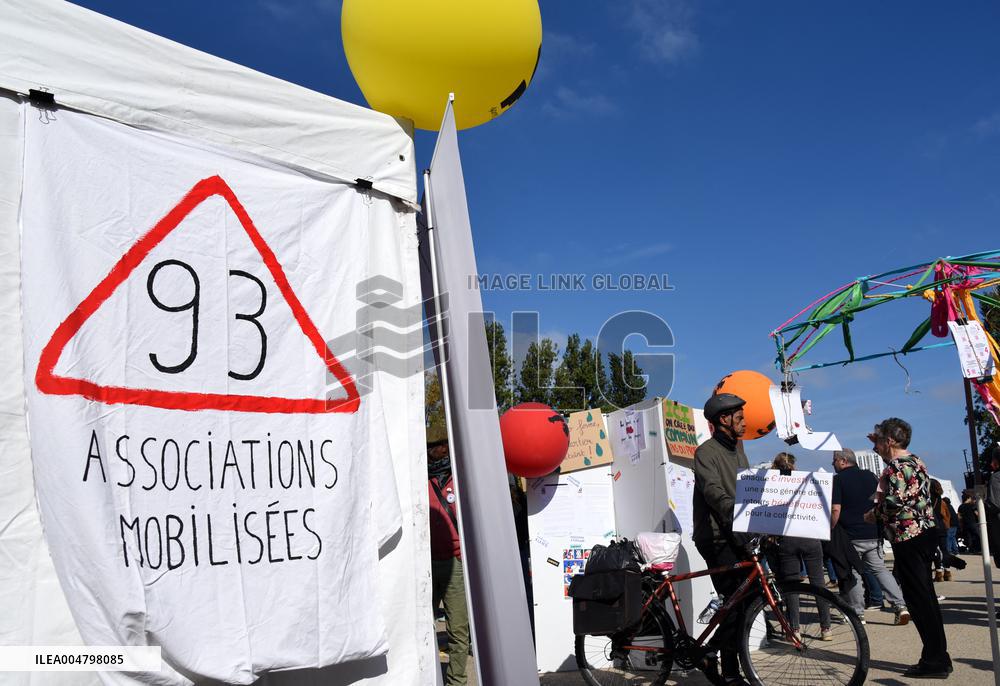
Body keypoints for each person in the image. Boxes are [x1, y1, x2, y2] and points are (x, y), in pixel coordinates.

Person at [866, 418, 952, 678]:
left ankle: (935, 659)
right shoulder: (915, 461)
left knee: (920, 600)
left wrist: (874, 513)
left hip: (909, 538)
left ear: (889, 441)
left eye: (879, 440)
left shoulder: (897, 466)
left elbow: (895, 501)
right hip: (922, 535)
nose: (875, 446)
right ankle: (936, 656)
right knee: (923, 597)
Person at [693, 393, 751, 686]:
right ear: (722, 420)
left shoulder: (739, 450)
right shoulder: (705, 452)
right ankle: (729, 673)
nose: (744, 422)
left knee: (746, 600)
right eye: (739, 417)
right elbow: (713, 490)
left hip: (737, 531)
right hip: (715, 536)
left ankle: (713, 652)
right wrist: (734, 509)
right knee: (735, 601)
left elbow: (748, 486)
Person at [830, 448, 909, 625]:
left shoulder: (837, 480)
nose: (832, 465)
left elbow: (836, 509)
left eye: (834, 461)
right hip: (873, 531)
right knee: (880, 569)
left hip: (850, 535)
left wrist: (831, 527)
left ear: (842, 461)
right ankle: (900, 606)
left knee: (854, 573)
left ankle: (858, 614)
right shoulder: (872, 476)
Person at [769, 452, 831, 640]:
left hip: (787, 539)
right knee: (818, 584)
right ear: (794, 465)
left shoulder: (774, 486)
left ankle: (794, 630)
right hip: (810, 537)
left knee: (792, 586)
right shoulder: (807, 482)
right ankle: (826, 628)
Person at [427, 440, 470, 686]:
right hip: (427, 564)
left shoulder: (460, 481)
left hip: (455, 564)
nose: (439, 450)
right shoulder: (419, 480)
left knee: (458, 630)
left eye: (443, 446)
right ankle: (427, 675)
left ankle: (456, 681)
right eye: (434, 446)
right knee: (422, 625)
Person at [957, 489, 981, 553]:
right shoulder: (972, 506)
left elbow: (959, 517)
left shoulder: (961, 506)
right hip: (973, 523)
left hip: (965, 524)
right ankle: (978, 549)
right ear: (968, 498)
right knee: (977, 536)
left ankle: (971, 549)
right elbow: (977, 514)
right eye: (970, 498)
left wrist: (961, 525)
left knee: (969, 537)